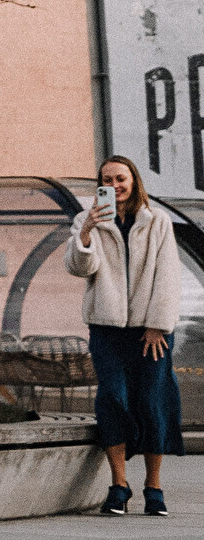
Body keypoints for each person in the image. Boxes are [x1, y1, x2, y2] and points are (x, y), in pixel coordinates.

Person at [72, 154, 184, 516]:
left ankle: (154, 486)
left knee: (152, 400)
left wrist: (157, 324)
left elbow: (168, 275)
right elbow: (81, 268)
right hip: (106, 330)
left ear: (133, 180)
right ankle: (119, 485)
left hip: (150, 332)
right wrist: (86, 232)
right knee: (112, 399)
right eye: (107, 180)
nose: (115, 185)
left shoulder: (157, 220)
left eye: (121, 178)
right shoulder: (87, 220)